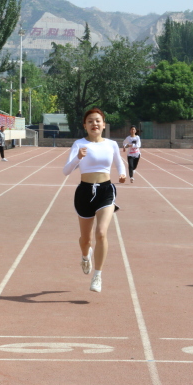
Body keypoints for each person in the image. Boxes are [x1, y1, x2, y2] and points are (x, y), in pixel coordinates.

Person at [62, 108, 126, 293]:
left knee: (101, 233)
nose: (94, 124)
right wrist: (77, 158)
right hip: (84, 192)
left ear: (104, 124)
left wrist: (122, 173)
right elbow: (66, 171)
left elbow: (119, 162)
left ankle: (97, 275)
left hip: (105, 191)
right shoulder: (79, 144)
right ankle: (85, 256)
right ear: (85, 125)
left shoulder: (111, 144)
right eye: (90, 121)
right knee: (86, 240)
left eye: (98, 120)